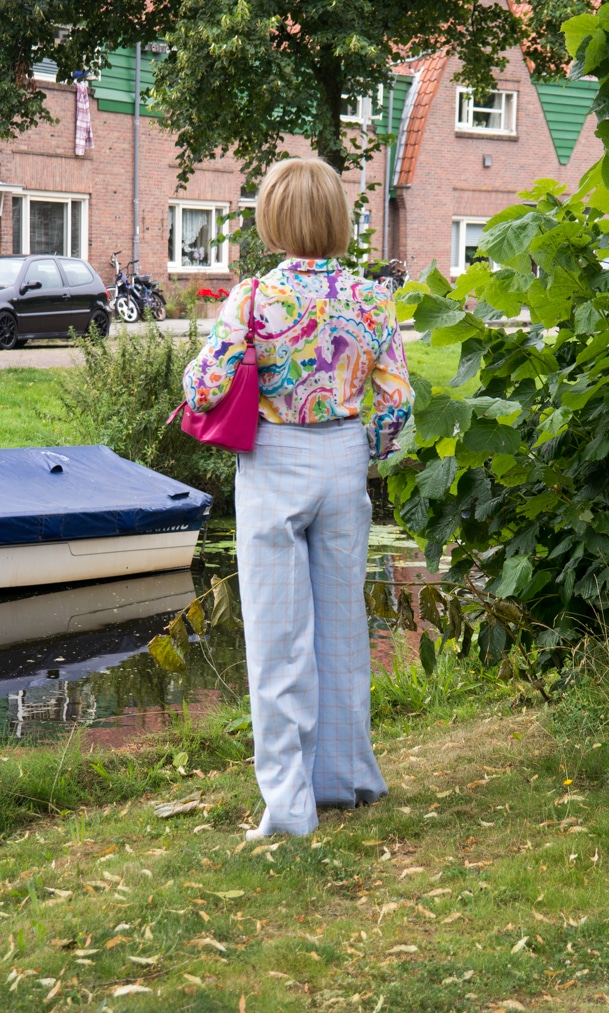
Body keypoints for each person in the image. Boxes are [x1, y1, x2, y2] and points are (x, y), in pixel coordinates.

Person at [183, 158, 414, 839]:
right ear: (337, 218)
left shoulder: (253, 298)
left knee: (279, 638)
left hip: (273, 459)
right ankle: (346, 779)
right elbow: (397, 399)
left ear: (274, 219)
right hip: (343, 460)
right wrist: (361, 448)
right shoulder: (371, 297)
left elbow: (201, 389)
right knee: (343, 629)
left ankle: (288, 807)